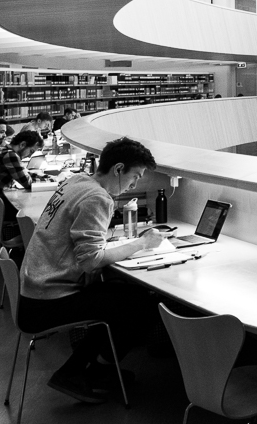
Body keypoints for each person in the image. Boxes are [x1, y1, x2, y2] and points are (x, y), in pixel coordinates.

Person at [18, 136, 170, 403]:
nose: (136, 183)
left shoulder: (76, 181)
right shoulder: (97, 198)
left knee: (117, 296)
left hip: (33, 292)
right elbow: (90, 260)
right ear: (118, 169)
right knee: (146, 304)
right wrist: (141, 243)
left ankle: (97, 367)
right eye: (136, 176)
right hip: (48, 301)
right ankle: (80, 371)